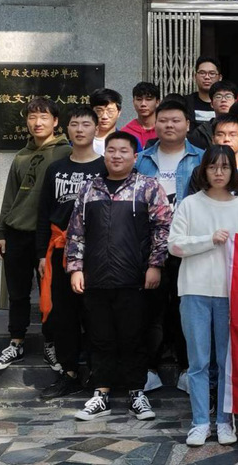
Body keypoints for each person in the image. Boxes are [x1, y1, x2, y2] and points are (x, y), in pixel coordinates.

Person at [66, 131, 172, 421]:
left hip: (134, 278)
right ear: (105, 155)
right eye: (111, 150)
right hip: (95, 277)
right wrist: (75, 268)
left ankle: (137, 393)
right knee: (99, 337)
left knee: (133, 337)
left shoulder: (148, 187)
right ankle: (101, 394)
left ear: (135, 156)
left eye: (123, 151)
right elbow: (76, 232)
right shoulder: (90, 189)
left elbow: (163, 228)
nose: (116, 156)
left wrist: (155, 265)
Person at [168, 145, 238, 447]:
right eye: (212, 167)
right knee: (198, 362)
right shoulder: (190, 204)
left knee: (227, 362)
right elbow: (174, 245)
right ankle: (200, 422)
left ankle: (225, 421)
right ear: (204, 170)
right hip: (194, 290)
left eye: (225, 167)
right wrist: (209, 239)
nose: (219, 173)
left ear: (233, 172)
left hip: (230, 294)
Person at [0, 97, 72, 371]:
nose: (37, 123)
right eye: (32, 117)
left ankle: (51, 344)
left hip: (47, 236)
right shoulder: (21, 156)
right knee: (17, 293)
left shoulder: (65, 153)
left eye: (44, 117)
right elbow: (9, 197)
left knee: (50, 294)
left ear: (56, 121)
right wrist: (2, 231)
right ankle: (16, 342)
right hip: (17, 233)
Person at [37, 106, 107, 399]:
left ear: (96, 129)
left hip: (95, 252)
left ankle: (97, 373)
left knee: (95, 314)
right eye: (74, 124)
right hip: (59, 250)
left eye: (86, 124)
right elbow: (43, 213)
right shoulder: (55, 168)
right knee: (63, 316)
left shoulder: (105, 167)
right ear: (66, 129)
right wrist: (42, 254)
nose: (80, 129)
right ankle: (69, 373)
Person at [135, 100, 204, 393]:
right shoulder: (140, 160)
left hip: (188, 246)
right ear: (155, 124)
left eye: (176, 120)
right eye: (163, 120)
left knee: (185, 310)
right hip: (148, 246)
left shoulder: (202, 159)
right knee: (150, 310)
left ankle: (188, 369)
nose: (169, 125)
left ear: (187, 124)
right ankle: (148, 369)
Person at [191, 114, 238, 202]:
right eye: (220, 134)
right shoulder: (200, 172)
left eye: (232, 135)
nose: (226, 139)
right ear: (213, 139)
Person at [188, 80, 238, 150]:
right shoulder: (201, 132)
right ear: (211, 104)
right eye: (218, 96)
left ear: (235, 102)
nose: (223, 100)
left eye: (228, 96)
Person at [121, 82, 160, 149]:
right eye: (139, 99)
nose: (143, 104)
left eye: (148, 99)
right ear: (133, 102)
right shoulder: (125, 133)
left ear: (157, 102)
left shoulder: (163, 130)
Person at [185, 56, 222, 125]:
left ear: (220, 78)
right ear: (195, 76)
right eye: (202, 73)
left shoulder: (226, 104)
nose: (207, 77)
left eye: (212, 73)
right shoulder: (185, 103)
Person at [90, 88, 124, 155]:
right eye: (99, 111)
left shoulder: (129, 141)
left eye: (110, 111)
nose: (104, 116)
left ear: (119, 113)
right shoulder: (80, 141)